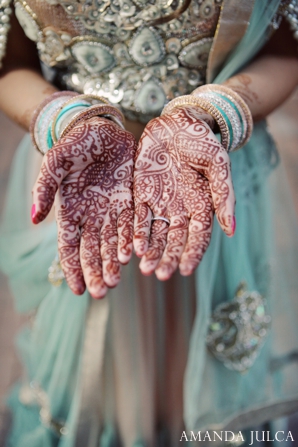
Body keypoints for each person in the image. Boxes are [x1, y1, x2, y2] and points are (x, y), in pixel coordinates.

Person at [0, 0, 298, 446]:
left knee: (204, 366)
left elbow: (284, 49)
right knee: (105, 379)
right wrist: (66, 119)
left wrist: (212, 116)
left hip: (206, 170)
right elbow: (11, 64)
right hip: (87, 178)